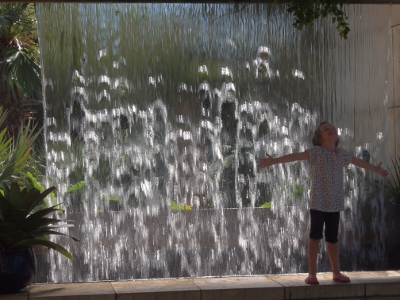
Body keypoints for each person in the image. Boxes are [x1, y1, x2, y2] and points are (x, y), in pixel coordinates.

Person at [257, 122, 389, 285]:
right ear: (319, 139)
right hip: (318, 202)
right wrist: (274, 161)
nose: (331, 130)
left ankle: (336, 272)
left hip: (335, 203)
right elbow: (296, 156)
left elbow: (358, 162)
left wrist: (376, 170)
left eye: (333, 128)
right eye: (326, 129)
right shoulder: (317, 152)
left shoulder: (342, 154)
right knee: (315, 236)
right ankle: (312, 274)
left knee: (332, 238)